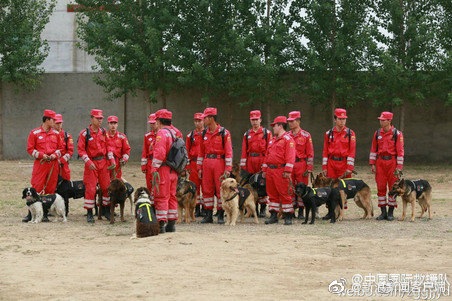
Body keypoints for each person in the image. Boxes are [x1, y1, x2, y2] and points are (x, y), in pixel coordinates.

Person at [24, 109, 63, 222]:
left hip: (53, 165)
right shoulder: (35, 133)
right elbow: (30, 149)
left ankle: (45, 214)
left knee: (50, 189)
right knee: (36, 188)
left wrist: (54, 155)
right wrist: (41, 155)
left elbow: (61, 149)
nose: (55, 122)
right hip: (40, 164)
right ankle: (31, 214)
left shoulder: (56, 133)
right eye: (53, 120)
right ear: (47, 120)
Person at [77, 109, 115, 223]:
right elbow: (81, 150)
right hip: (91, 164)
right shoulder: (85, 133)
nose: (100, 120)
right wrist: (88, 162)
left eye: (101, 119)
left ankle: (106, 211)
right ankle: (89, 212)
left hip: (103, 163)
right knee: (91, 188)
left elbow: (109, 147)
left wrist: (112, 159)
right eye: (97, 118)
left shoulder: (104, 132)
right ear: (91, 119)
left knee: (106, 187)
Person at [197, 107, 233, 224]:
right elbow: (201, 152)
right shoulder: (203, 133)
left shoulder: (224, 133)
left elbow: (228, 152)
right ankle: (208, 215)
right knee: (207, 189)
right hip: (207, 162)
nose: (203, 121)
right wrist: (199, 168)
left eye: (205, 118)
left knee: (220, 188)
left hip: (219, 163)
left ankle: (220, 214)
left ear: (211, 119)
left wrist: (228, 169)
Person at [369, 111, 404, 221]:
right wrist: (372, 163)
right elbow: (373, 149)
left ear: (389, 121)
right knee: (380, 187)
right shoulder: (377, 133)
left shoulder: (397, 134)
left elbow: (400, 152)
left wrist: (399, 167)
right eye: (380, 119)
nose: (381, 121)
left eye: (383, 120)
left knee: (393, 187)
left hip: (392, 163)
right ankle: (383, 212)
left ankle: (390, 212)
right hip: (380, 163)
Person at [149, 109, 179, 233]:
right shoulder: (174, 133)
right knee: (172, 196)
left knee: (161, 196)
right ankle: (171, 224)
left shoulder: (162, 133)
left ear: (159, 121)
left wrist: (154, 168)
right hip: (173, 170)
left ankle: (161, 224)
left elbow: (160, 153)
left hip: (163, 170)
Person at [262, 116, 296, 225]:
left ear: (280, 126)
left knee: (285, 193)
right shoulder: (272, 140)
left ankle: (288, 215)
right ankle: (273, 215)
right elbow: (267, 155)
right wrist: (264, 169)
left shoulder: (288, 139)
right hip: (271, 171)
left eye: (274, 126)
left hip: (281, 170)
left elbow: (290, 156)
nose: (273, 128)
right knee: (272, 194)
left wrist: (288, 171)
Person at [321, 108, 356, 210]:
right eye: (340, 119)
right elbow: (325, 151)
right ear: (335, 120)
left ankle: (341, 210)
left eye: (344, 119)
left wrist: (350, 167)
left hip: (344, 164)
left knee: (343, 187)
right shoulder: (328, 134)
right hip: (331, 163)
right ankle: (330, 210)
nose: (342, 121)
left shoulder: (350, 133)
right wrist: (324, 166)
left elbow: (352, 151)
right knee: (330, 187)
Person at [240, 110, 272, 217]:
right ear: (250, 120)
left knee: (262, 184)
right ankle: (253, 208)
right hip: (250, 161)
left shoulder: (266, 133)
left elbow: (269, 149)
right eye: (253, 120)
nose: (255, 122)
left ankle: (263, 209)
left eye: (256, 119)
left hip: (262, 160)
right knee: (250, 184)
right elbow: (244, 151)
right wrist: (243, 166)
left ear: (260, 120)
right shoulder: (247, 134)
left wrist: (266, 164)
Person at [287, 111, 314, 219]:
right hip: (290, 164)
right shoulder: (287, 136)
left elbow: (310, 153)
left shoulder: (306, 135)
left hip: (301, 164)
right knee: (290, 187)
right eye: (289, 121)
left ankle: (302, 210)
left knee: (302, 187)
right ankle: (291, 209)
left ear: (298, 121)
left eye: (292, 121)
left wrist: (309, 167)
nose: (290, 123)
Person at [186, 112, 204, 216]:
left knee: (206, 188)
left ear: (203, 122)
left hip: (204, 163)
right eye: (196, 121)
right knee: (194, 187)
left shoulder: (207, 134)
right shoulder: (190, 135)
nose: (197, 123)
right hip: (193, 163)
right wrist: (187, 166)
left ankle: (206, 209)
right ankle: (196, 208)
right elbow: (187, 151)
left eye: (199, 121)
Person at [141, 113, 158, 203]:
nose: (152, 125)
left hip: (159, 163)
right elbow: (145, 151)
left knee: (158, 184)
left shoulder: (161, 135)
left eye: (153, 123)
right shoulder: (147, 136)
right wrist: (143, 165)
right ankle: (151, 205)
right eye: (151, 123)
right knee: (150, 184)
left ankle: (158, 204)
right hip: (149, 163)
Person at [54, 114, 73, 181]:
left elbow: (70, 151)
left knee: (66, 182)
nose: (59, 125)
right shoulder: (49, 135)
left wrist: (61, 160)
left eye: (60, 123)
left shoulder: (67, 136)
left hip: (63, 165)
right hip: (52, 164)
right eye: (57, 123)